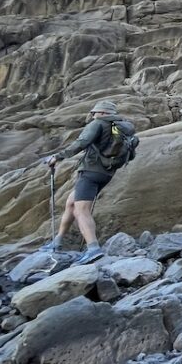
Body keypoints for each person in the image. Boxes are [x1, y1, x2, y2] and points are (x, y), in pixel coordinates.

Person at [39, 99, 137, 263]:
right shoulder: (122, 127)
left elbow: (82, 142)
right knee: (71, 203)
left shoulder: (99, 123)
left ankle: (93, 249)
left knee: (81, 210)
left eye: (95, 112)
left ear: (103, 113)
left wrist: (58, 157)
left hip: (91, 171)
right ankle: (57, 242)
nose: (92, 116)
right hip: (107, 172)